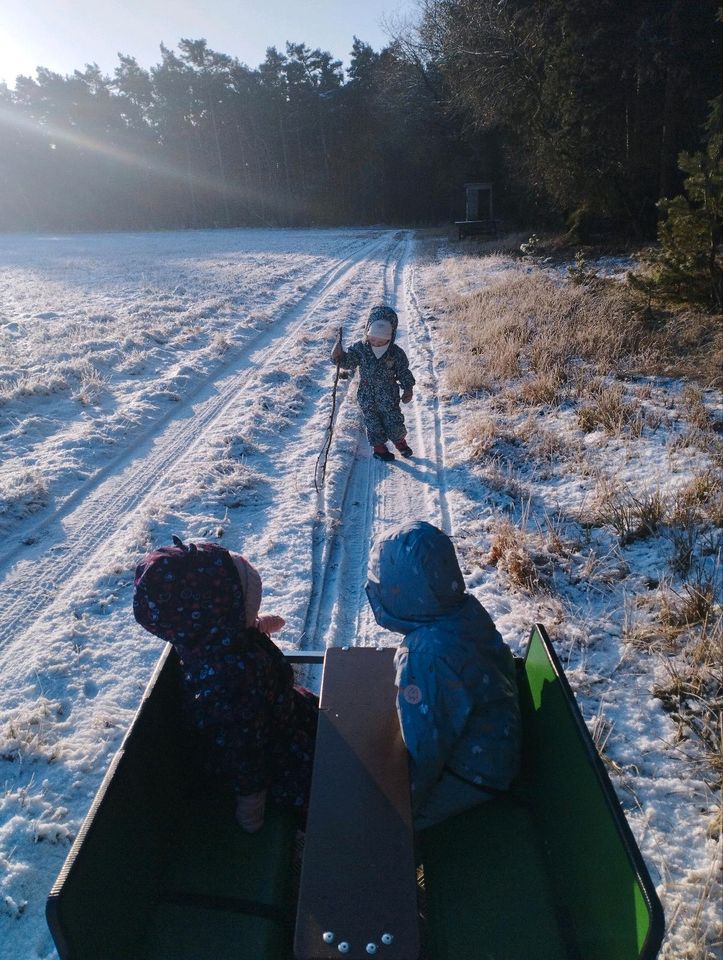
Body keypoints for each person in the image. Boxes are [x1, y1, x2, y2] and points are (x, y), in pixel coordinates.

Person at [132, 536, 317, 833]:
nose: (252, 611)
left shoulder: (204, 639)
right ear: (221, 614)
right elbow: (243, 751)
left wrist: (258, 624)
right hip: (264, 752)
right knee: (322, 781)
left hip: (276, 713)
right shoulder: (227, 685)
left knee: (318, 719)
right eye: (246, 606)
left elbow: (236, 630)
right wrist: (251, 804)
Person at [366, 520, 521, 830]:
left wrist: (396, 810)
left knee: (383, 825)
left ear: (401, 593)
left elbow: (423, 754)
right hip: (496, 744)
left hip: (476, 774)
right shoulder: (462, 610)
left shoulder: (426, 656)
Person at [331, 304, 415, 462]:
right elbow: (349, 362)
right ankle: (379, 449)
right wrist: (338, 357)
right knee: (372, 422)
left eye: (381, 340)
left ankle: (400, 443)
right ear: (367, 331)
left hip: (389, 396)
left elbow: (404, 371)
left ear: (391, 336)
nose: (376, 343)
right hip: (366, 396)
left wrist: (408, 388)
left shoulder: (396, 353)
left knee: (394, 420)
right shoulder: (361, 349)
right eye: (373, 338)